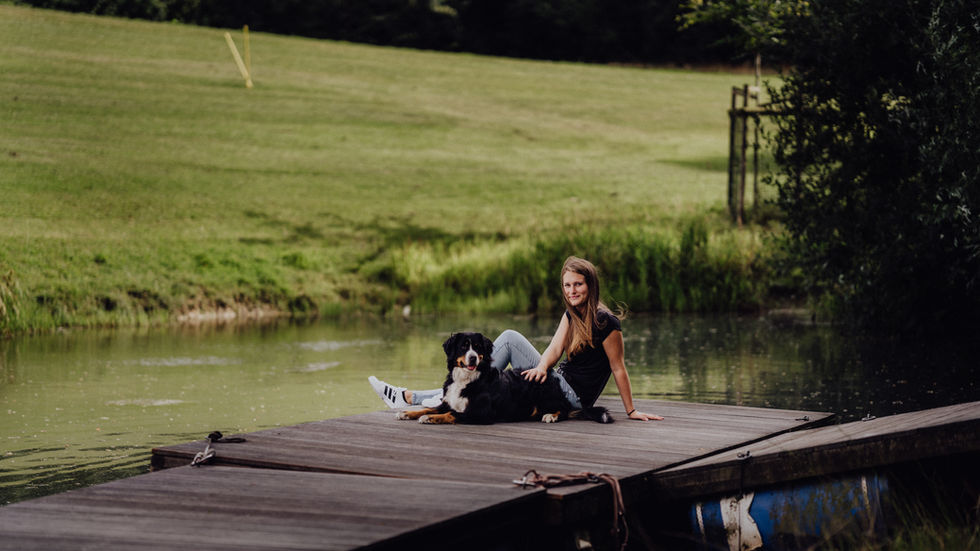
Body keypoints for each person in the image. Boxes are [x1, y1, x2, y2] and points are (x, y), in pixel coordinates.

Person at [368, 256, 663, 421]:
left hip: (572, 395)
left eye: (578, 284)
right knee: (490, 378)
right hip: (556, 380)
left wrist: (631, 410)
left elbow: (618, 368)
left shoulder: (606, 322)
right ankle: (429, 397)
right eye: (567, 285)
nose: (572, 291)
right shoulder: (572, 314)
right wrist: (542, 367)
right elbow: (554, 349)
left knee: (508, 340)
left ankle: (417, 397)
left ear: (591, 285)